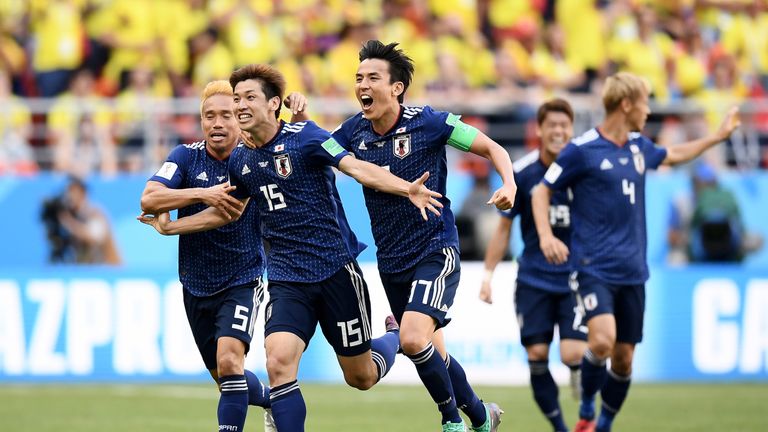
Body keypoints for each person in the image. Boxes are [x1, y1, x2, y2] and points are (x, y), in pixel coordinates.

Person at [140, 63, 442, 432]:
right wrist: (174, 228)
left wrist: (404, 186)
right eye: (237, 99)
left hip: (335, 271)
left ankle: (393, 338)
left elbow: (357, 167)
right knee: (278, 363)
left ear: (273, 104)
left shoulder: (308, 137)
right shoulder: (240, 159)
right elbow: (228, 213)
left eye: (248, 97)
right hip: (286, 277)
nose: (240, 106)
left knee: (361, 376)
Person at [531, 72, 740, 432]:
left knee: (624, 361)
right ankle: (585, 405)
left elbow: (673, 154)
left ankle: (604, 424)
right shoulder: (582, 150)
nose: (648, 110)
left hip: (633, 271)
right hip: (592, 267)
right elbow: (540, 191)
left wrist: (717, 137)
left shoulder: (639, 147)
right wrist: (547, 236)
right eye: (645, 102)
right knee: (602, 339)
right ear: (626, 104)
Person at [331, 40, 515, 432]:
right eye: (359, 77)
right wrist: (297, 120)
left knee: (413, 339)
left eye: (373, 77)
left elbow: (491, 147)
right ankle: (483, 418)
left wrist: (509, 183)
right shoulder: (353, 131)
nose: (363, 84)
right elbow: (313, 151)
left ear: (396, 87)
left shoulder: (430, 122)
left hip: (435, 250)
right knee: (434, 354)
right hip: (392, 261)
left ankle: (452, 423)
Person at [138, 80, 307, 432]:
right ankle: (272, 400)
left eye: (226, 115)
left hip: (243, 278)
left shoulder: (251, 158)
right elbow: (150, 199)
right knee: (226, 377)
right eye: (209, 115)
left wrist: (171, 225)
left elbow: (229, 211)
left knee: (230, 360)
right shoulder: (186, 156)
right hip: (196, 284)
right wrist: (202, 192)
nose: (217, 123)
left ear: (239, 117)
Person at [480, 98, 587, 432]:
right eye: (551, 125)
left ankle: (578, 374)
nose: (558, 131)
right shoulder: (523, 174)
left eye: (563, 125)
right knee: (537, 355)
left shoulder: (584, 171)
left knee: (572, 354)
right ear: (539, 130)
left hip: (576, 279)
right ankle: (560, 428)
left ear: (571, 130)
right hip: (534, 279)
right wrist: (487, 275)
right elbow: (503, 229)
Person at [667, 161, 762, 263]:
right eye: (704, 183)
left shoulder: (725, 198)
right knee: (675, 260)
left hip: (727, 247)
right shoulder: (681, 201)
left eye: (711, 183)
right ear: (695, 182)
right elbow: (671, 236)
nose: (708, 187)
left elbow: (740, 229)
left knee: (756, 240)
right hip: (693, 250)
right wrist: (690, 237)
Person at [42, 175, 121, 265]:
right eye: (68, 192)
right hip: (87, 270)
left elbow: (93, 236)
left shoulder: (95, 213)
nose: (69, 196)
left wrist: (67, 221)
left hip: (107, 271)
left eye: (73, 191)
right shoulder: (74, 215)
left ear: (83, 193)